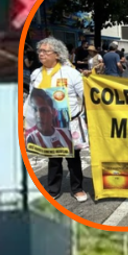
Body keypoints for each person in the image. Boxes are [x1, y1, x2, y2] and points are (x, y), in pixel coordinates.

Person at [23, 37, 91, 203]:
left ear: (57, 54)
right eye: (40, 51)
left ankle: (77, 188)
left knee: (73, 158)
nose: (41, 54)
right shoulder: (36, 74)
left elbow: (85, 95)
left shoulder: (71, 73)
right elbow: (32, 97)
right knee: (53, 157)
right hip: (47, 123)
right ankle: (53, 188)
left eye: (46, 51)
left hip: (69, 123)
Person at [24, 88, 75, 153]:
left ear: (53, 112)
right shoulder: (32, 138)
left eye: (43, 110)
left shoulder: (67, 134)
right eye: (35, 110)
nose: (39, 115)